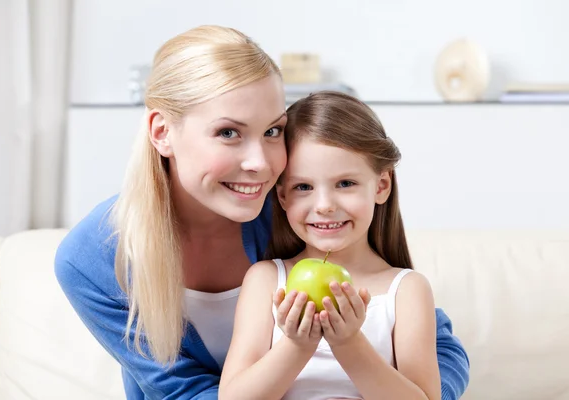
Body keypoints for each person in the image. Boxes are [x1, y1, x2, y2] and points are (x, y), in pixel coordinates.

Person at [55, 25, 469, 400]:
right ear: (163, 132)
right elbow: (177, 391)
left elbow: (438, 348)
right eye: (229, 133)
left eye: (272, 130)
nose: (260, 163)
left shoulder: (298, 207)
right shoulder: (91, 257)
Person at [219, 90, 452, 400]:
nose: (325, 205)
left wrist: (348, 343)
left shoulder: (406, 290)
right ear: (283, 196)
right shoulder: (267, 280)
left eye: (345, 183)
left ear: (381, 185)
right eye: (303, 186)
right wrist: (298, 344)